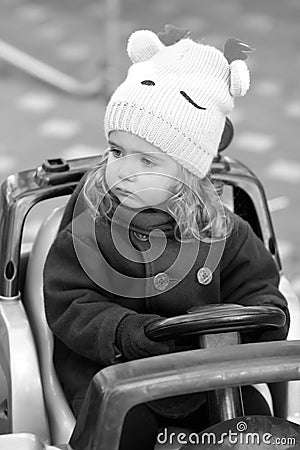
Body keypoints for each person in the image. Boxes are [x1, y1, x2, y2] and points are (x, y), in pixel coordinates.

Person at [43, 26, 290, 450]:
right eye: (116, 152)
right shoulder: (92, 226)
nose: (121, 170)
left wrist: (253, 326)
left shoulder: (224, 233)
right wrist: (123, 333)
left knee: (255, 421)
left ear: (187, 172)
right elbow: (69, 301)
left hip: (205, 377)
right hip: (115, 375)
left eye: (146, 160)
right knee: (124, 430)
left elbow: (263, 293)